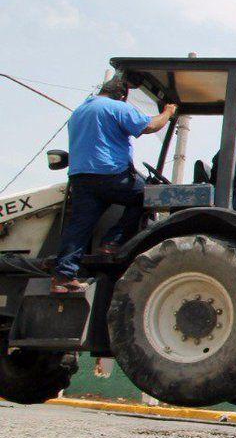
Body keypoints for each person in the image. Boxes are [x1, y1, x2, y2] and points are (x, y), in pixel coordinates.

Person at [52, 77, 177, 293]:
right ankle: (112, 241)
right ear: (122, 94)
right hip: (111, 175)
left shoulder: (79, 111)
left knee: (79, 226)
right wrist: (168, 112)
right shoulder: (116, 107)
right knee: (147, 197)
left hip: (81, 177)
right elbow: (150, 125)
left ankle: (63, 276)